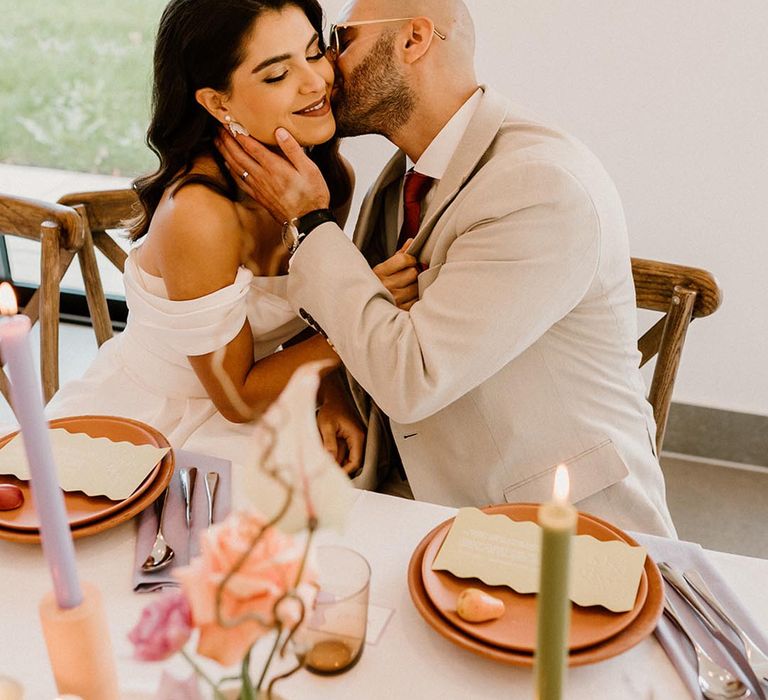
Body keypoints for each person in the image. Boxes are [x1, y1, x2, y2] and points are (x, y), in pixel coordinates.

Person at [215, 0, 677, 536]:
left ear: (413, 40)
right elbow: (367, 321)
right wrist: (332, 390)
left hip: (552, 533)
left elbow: (413, 377)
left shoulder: (540, 187)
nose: (325, 69)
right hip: (413, 496)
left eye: (339, 40)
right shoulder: (406, 174)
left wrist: (311, 221)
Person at [46, 0, 403, 477]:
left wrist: (332, 394)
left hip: (268, 402)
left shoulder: (324, 180)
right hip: (159, 424)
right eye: (276, 75)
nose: (316, 82)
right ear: (217, 102)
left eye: (315, 52)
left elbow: (303, 313)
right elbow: (236, 398)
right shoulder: (199, 214)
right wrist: (364, 312)